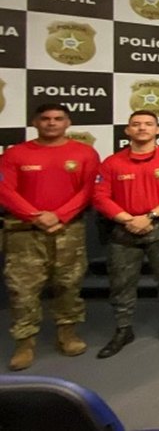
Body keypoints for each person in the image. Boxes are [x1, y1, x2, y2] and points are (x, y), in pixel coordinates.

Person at [0, 104, 99, 370]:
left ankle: (67, 334)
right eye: (45, 118)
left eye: (58, 118)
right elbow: (4, 190)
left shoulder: (84, 153)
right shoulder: (15, 154)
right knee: (22, 290)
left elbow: (87, 190)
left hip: (68, 230)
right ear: (35, 122)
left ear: (68, 122)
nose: (52, 123)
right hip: (24, 233)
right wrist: (35, 216)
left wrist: (60, 216)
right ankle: (25, 342)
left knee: (69, 284)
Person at [93, 110, 159, 358]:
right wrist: (128, 219)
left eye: (148, 124)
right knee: (121, 282)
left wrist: (150, 217)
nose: (142, 128)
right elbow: (101, 197)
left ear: (158, 130)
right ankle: (123, 329)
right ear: (127, 130)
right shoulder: (112, 163)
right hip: (124, 229)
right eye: (136, 124)